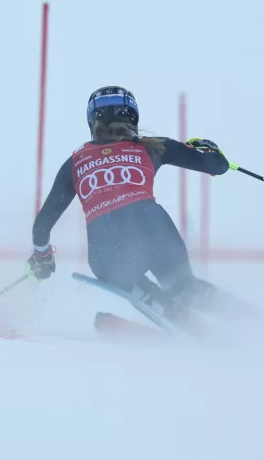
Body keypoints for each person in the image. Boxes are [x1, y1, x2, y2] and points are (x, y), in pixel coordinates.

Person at [26, 85, 231, 324]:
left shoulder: (75, 162)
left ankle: (172, 315)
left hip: (105, 244)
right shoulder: (153, 146)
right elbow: (218, 166)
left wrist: (42, 258)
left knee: (139, 289)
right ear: (133, 116)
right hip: (153, 226)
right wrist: (211, 149)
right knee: (184, 289)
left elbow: (42, 226)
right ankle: (246, 317)